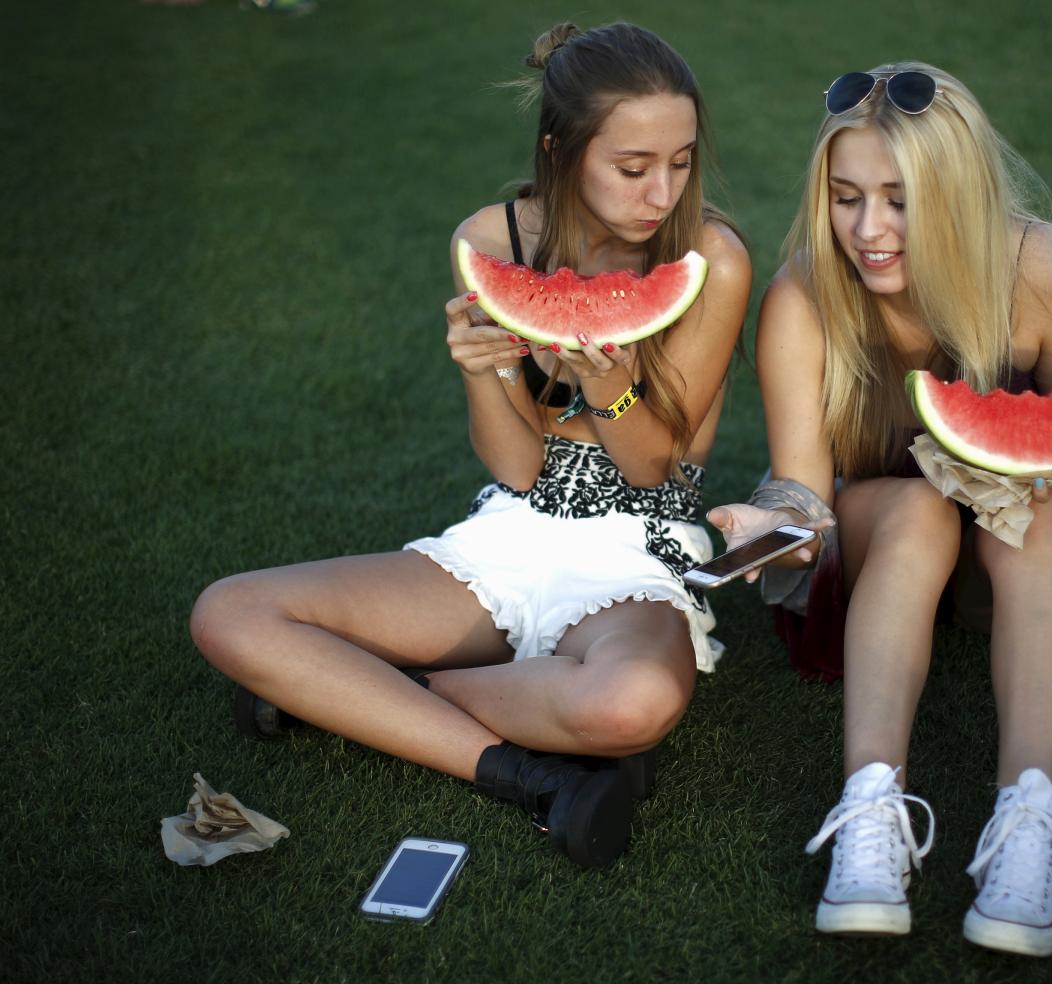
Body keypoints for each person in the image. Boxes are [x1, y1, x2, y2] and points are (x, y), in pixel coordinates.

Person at [190, 21, 751, 867]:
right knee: (230, 611)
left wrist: (608, 381)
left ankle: (359, 696)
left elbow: (651, 466)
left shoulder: (712, 256)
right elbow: (518, 466)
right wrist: (479, 369)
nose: (661, 192)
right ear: (560, 150)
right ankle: (527, 774)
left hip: (638, 549)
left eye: (680, 161)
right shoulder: (493, 242)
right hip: (509, 535)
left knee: (630, 705)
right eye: (633, 168)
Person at [709, 63, 1052, 952]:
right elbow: (803, 486)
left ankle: (1028, 818)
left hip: (1022, 554)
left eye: (901, 200)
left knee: (1022, 520)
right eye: (845, 198)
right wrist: (774, 525)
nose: (869, 231)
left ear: (957, 193)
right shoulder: (805, 296)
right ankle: (870, 809)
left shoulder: (1050, 273)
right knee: (920, 510)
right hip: (886, 547)